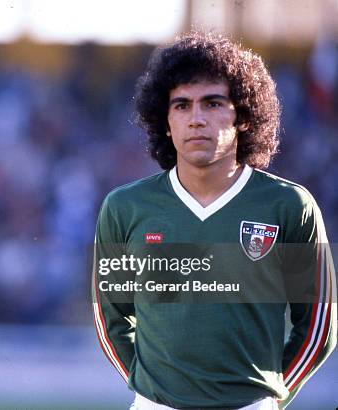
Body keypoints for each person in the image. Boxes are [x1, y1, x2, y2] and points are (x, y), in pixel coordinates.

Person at [92, 32, 336, 409]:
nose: (196, 119)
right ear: (166, 120)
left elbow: (319, 327)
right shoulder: (125, 207)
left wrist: (268, 395)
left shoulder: (290, 206)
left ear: (243, 115)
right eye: (181, 106)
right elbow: (111, 320)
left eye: (213, 103)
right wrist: (155, 390)